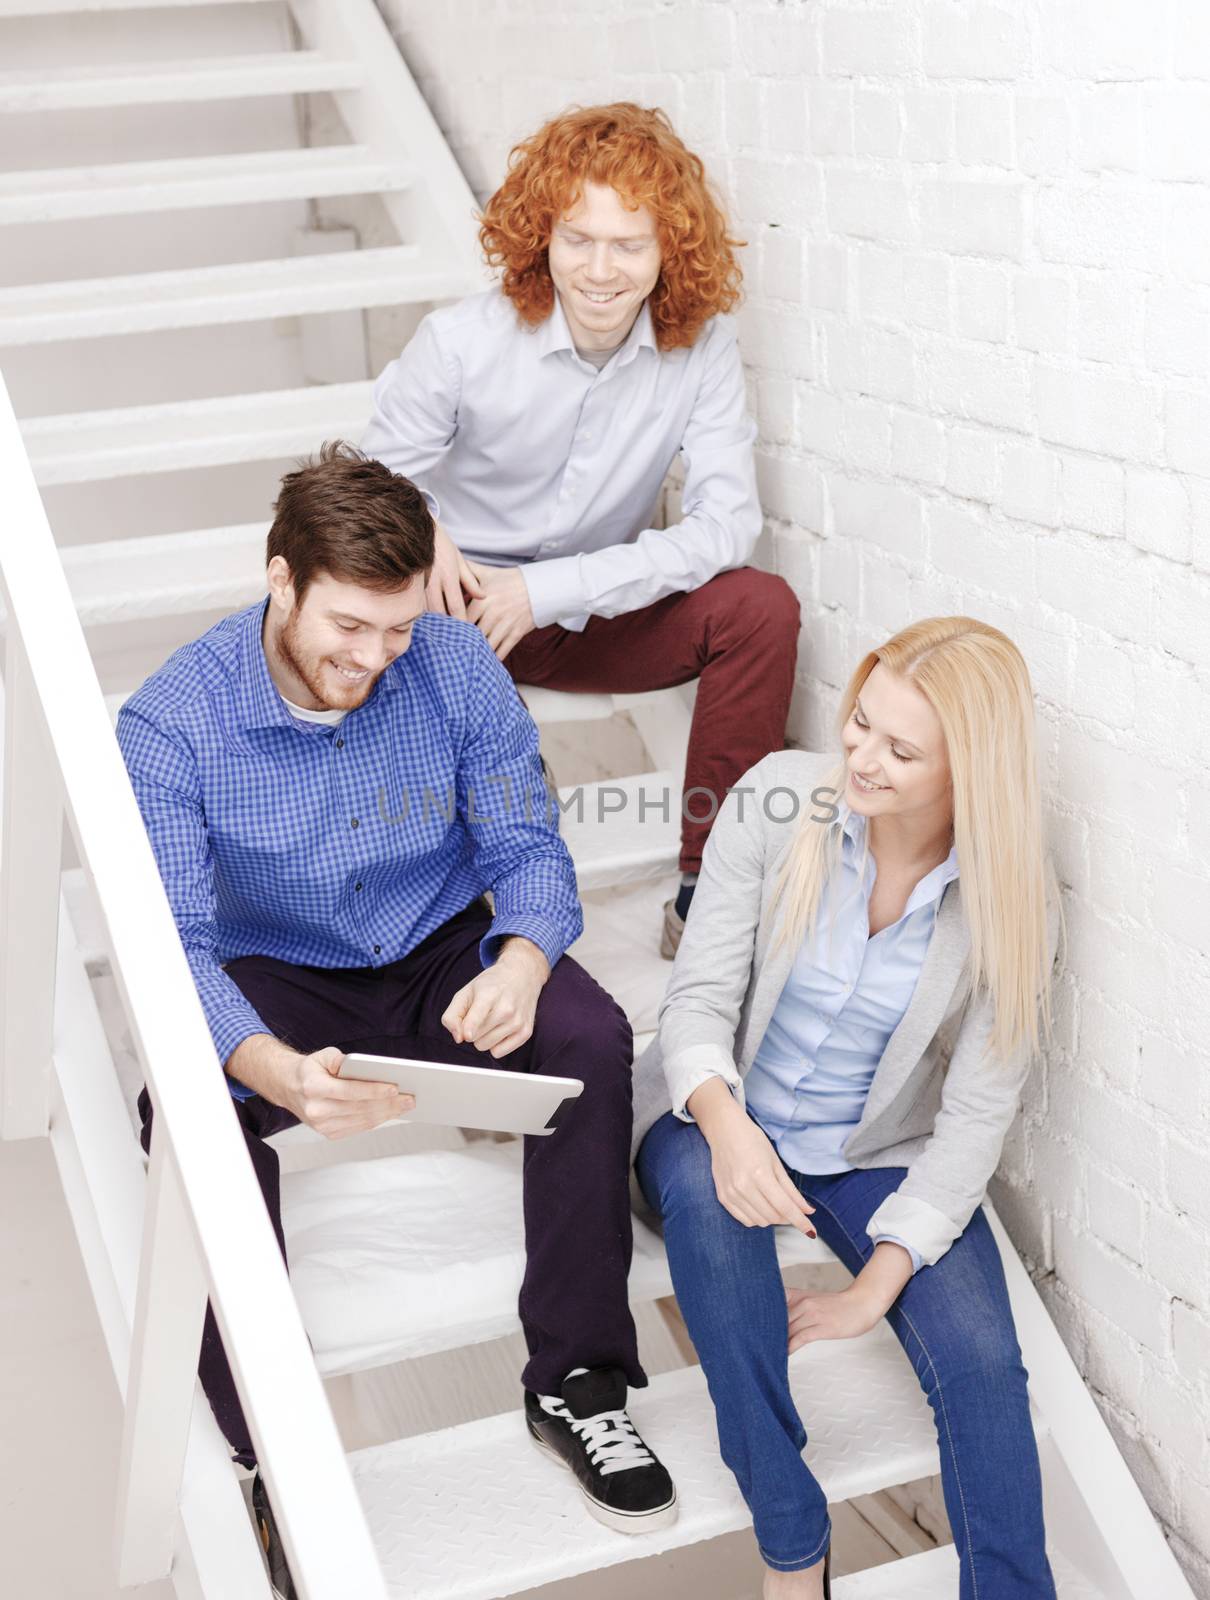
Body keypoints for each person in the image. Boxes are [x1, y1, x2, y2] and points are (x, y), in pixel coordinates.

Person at [116, 444, 676, 1600]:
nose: (373, 658)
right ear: (281, 579)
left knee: (587, 1034)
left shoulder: (458, 664)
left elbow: (527, 844)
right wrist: (267, 1062)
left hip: (440, 948)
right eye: (348, 627)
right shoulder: (170, 724)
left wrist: (522, 958)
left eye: (398, 629)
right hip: (283, 971)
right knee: (181, 1103)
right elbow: (173, 943)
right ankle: (269, 1446)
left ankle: (577, 1383)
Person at [633, 617, 1061, 1600]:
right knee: (709, 1214)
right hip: (718, 1110)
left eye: (899, 749)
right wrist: (728, 1127)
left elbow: (974, 1116)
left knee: (983, 1364)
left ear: (970, 769)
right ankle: (795, 1554)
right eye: (860, 723)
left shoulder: (1010, 897)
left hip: (878, 1153)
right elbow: (694, 1001)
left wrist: (876, 1281)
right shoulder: (777, 801)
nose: (860, 757)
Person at [362, 102, 800, 957]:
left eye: (628, 244)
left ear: (668, 249)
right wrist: (423, 528)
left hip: (592, 602)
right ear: (542, 239)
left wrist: (549, 591)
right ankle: (438, 918)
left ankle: (709, 896)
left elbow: (727, 524)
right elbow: (375, 476)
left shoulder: (702, 348)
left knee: (760, 607)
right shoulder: (461, 341)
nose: (600, 270)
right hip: (457, 609)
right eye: (577, 240)